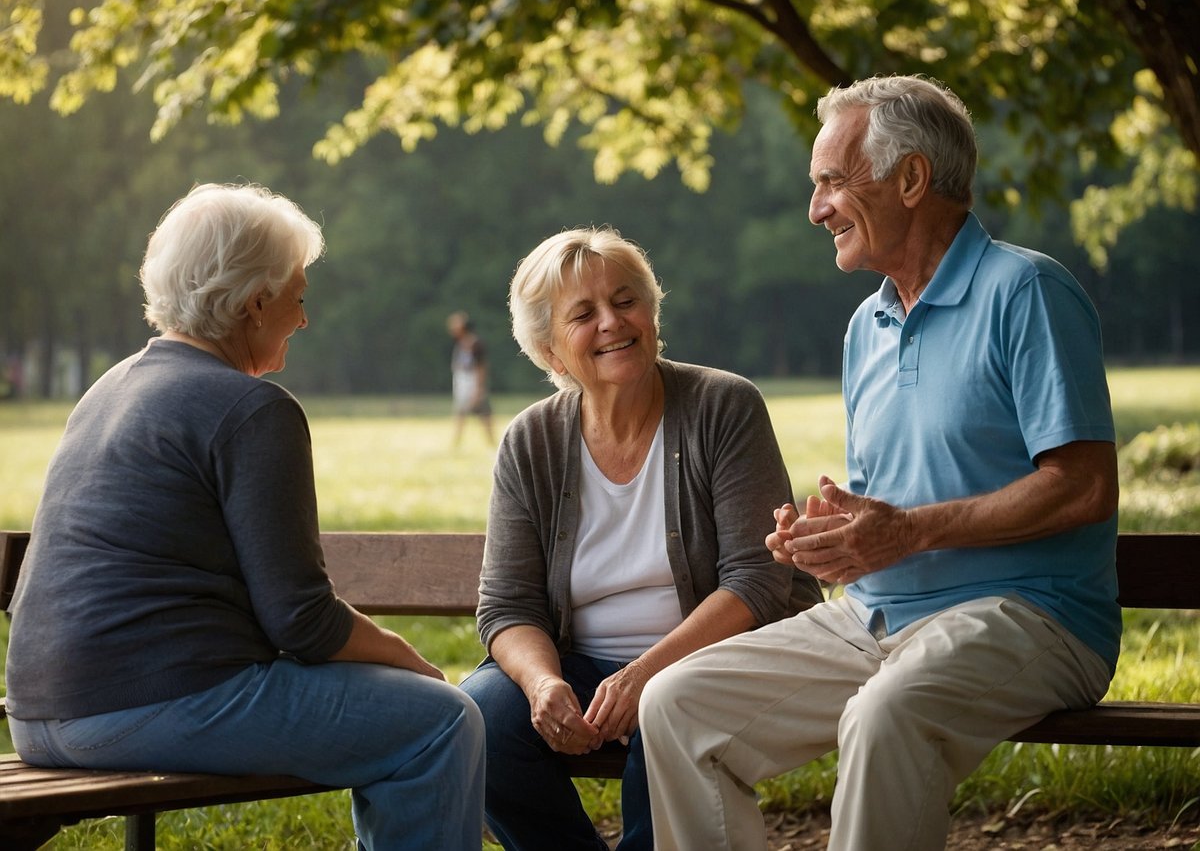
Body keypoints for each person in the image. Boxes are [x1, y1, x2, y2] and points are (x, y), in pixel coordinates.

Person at [639, 75, 1120, 851]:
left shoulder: (1027, 291)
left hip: (1030, 614)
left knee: (885, 712)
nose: (816, 208)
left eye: (833, 181)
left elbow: (1085, 487)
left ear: (911, 179)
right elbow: (888, 508)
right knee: (676, 703)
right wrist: (832, 538)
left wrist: (909, 532)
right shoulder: (867, 325)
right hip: (874, 616)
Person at [4, 183, 486, 851]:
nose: (303, 320)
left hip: (38, 716)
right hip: (147, 705)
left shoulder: (108, 389)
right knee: (443, 719)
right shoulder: (253, 409)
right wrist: (409, 659)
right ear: (256, 301)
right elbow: (304, 621)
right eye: (299, 297)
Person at [459, 226, 823, 851]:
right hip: (579, 667)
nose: (612, 321)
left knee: (669, 710)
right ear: (550, 352)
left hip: (709, 661)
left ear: (651, 313)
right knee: (478, 719)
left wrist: (645, 675)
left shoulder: (723, 406)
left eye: (626, 300)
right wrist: (544, 685)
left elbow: (758, 581)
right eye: (583, 314)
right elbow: (508, 605)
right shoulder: (530, 441)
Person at [448, 310, 495, 447]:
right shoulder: (460, 344)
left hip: (473, 383)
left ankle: (492, 443)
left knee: (484, 414)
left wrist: (478, 389)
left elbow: (481, 367)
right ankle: (456, 443)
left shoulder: (475, 343)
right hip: (462, 383)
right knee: (460, 413)